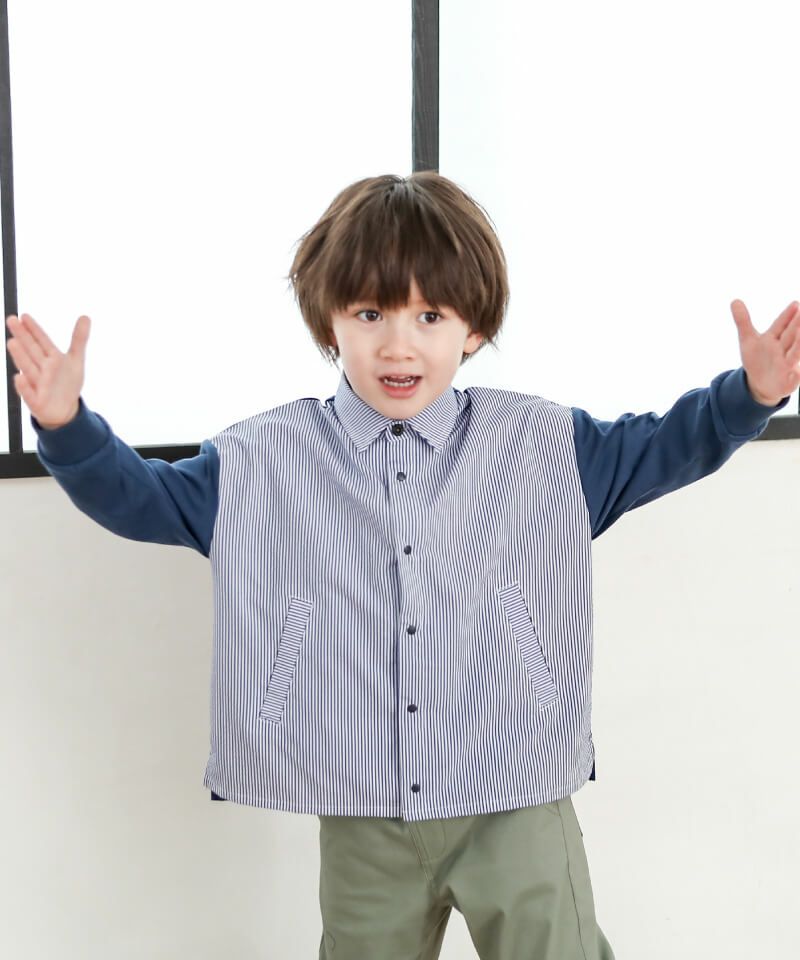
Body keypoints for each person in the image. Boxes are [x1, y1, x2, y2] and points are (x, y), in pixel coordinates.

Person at [5, 171, 798, 960]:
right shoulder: (261, 460)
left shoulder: (545, 446)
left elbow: (664, 446)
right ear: (329, 323)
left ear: (473, 328)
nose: (398, 344)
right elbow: (143, 500)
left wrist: (748, 397)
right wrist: (68, 426)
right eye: (369, 313)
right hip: (363, 809)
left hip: (513, 792)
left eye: (430, 315)